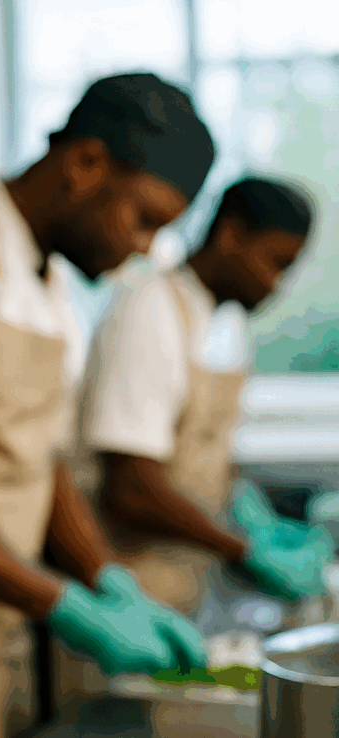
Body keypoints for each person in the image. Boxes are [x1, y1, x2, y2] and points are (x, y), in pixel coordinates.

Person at [0, 73, 215, 738]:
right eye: (142, 219)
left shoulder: (52, 285)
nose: (145, 247)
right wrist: (63, 602)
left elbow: (40, 460)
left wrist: (105, 576)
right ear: (85, 163)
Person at [77, 176, 324, 614]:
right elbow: (130, 487)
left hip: (185, 588)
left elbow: (204, 453)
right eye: (275, 262)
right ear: (230, 236)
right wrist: (243, 548)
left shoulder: (224, 325)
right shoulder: (148, 308)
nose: (278, 285)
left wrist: (247, 509)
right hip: (128, 596)